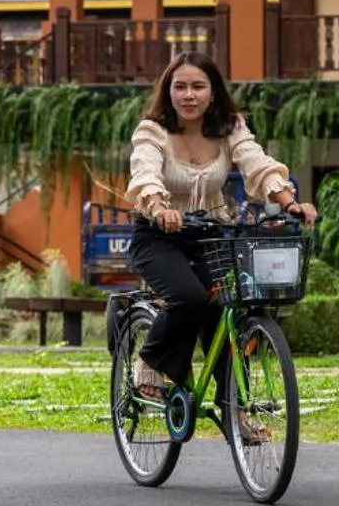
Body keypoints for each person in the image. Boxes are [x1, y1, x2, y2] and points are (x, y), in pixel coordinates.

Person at [124, 51, 317, 394]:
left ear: (213, 92)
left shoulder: (230, 128)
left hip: (211, 237)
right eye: (180, 86)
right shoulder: (152, 131)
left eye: (198, 86)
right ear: (168, 91)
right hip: (159, 235)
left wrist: (290, 202)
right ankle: (152, 360)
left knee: (226, 314)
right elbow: (145, 170)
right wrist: (159, 206)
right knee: (190, 298)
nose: (188, 95)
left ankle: (237, 410)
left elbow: (256, 163)